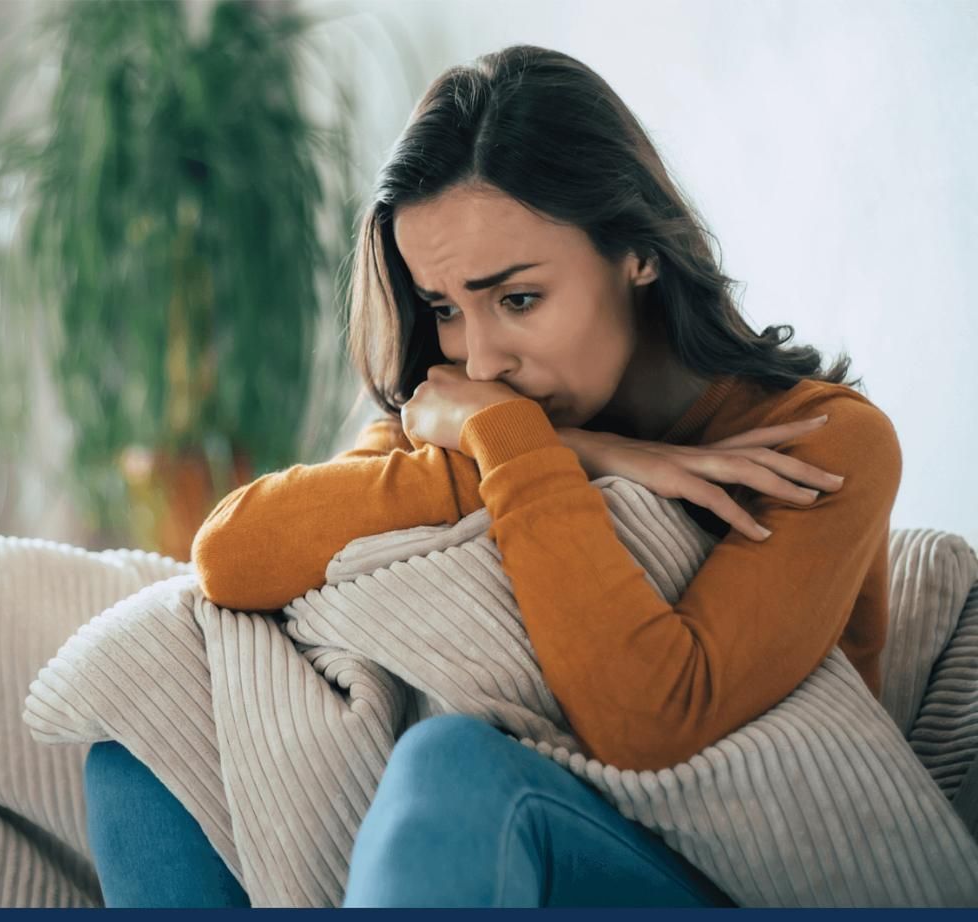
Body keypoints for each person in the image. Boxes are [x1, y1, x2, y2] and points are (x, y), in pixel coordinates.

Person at [82, 43, 902, 908]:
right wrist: (556, 451)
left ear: (637, 252)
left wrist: (514, 444)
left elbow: (654, 717)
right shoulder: (475, 414)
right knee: (141, 745)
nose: (478, 356)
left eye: (517, 300)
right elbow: (233, 551)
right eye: (443, 309)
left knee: (451, 764)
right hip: (489, 855)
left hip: (725, 864)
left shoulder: (818, 442)